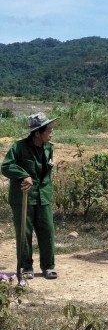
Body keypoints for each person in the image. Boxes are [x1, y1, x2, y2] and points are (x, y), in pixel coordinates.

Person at [1, 112, 59, 280]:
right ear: (37, 132)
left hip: (43, 196)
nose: (51, 133)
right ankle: (26, 267)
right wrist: (23, 175)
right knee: (24, 233)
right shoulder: (18, 147)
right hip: (23, 197)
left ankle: (48, 266)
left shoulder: (49, 148)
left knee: (47, 231)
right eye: (48, 130)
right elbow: (5, 167)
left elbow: (46, 172)